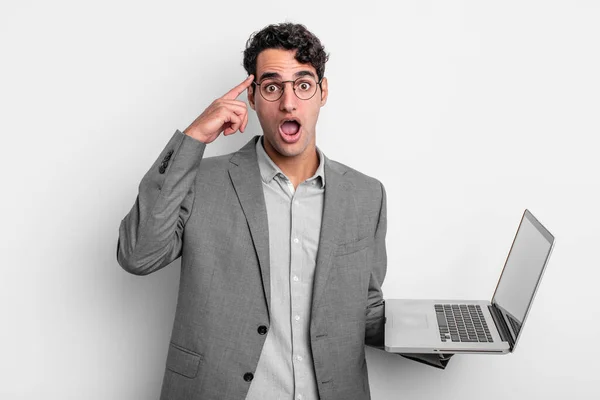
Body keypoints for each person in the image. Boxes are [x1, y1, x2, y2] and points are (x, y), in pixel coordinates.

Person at [117, 22, 451, 400]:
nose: (289, 103)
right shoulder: (201, 181)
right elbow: (137, 254)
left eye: (303, 85)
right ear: (254, 97)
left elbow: (363, 310)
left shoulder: (366, 195)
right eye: (273, 87)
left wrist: (437, 331)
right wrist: (193, 137)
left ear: (322, 92)